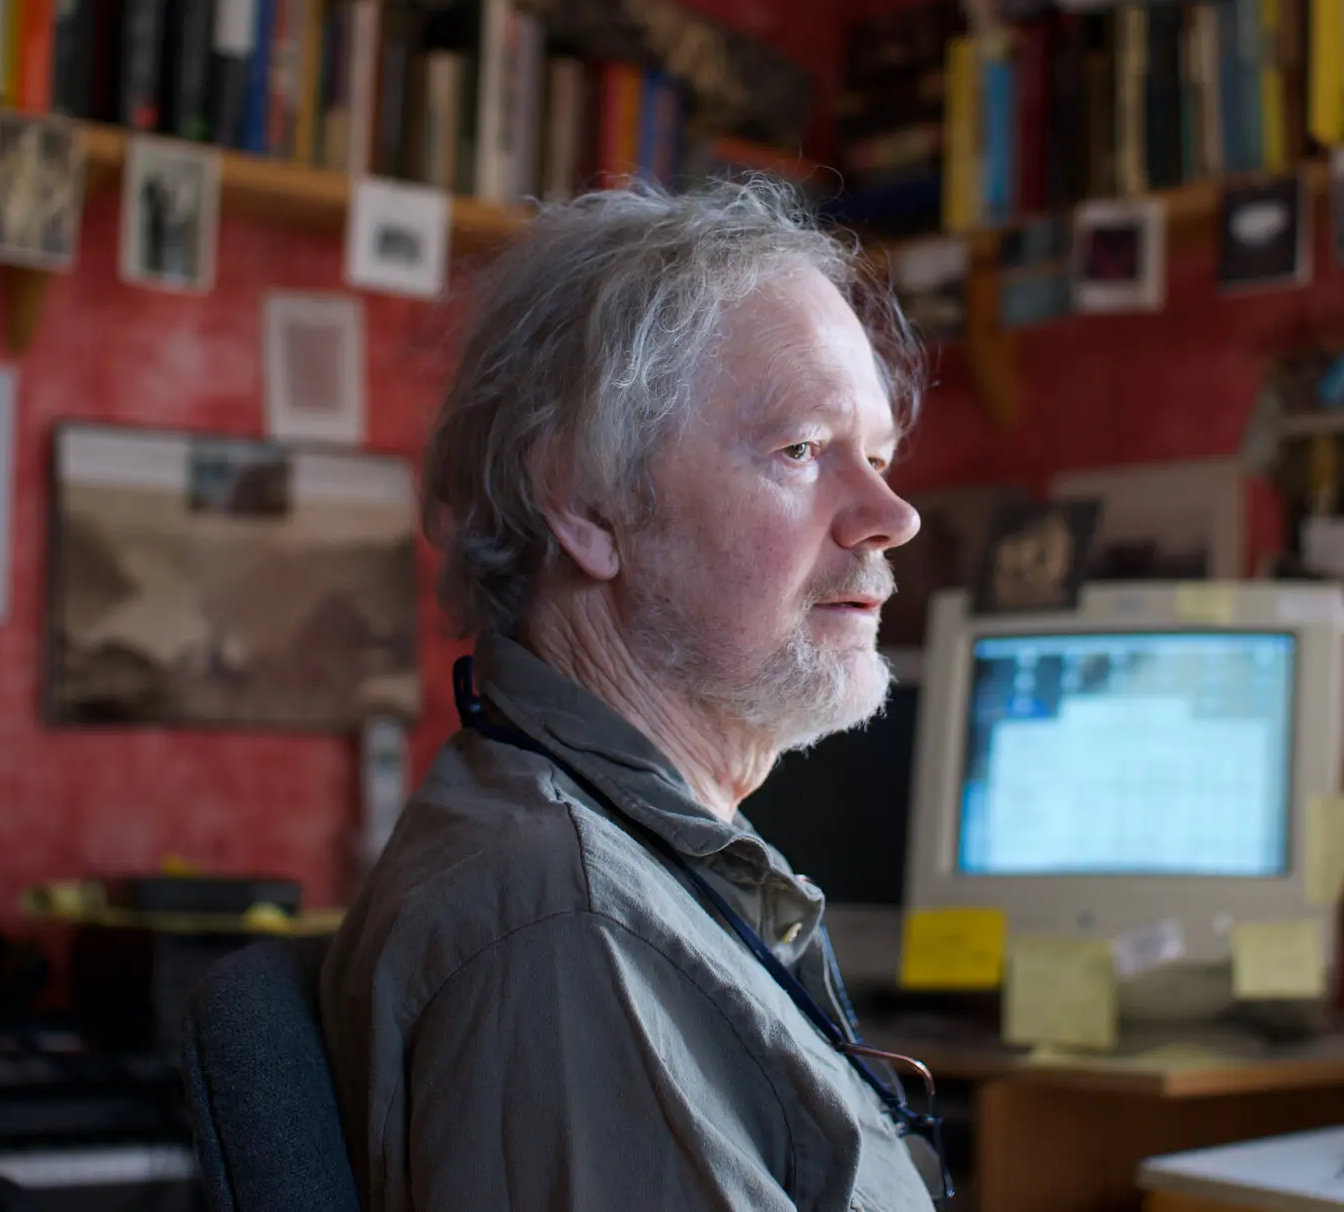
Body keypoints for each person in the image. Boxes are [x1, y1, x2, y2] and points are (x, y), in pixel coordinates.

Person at [321, 178, 940, 1210]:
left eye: (876, 457)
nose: (891, 515)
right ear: (586, 502)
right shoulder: (568, 931)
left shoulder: (621, 863)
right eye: (800, 452)